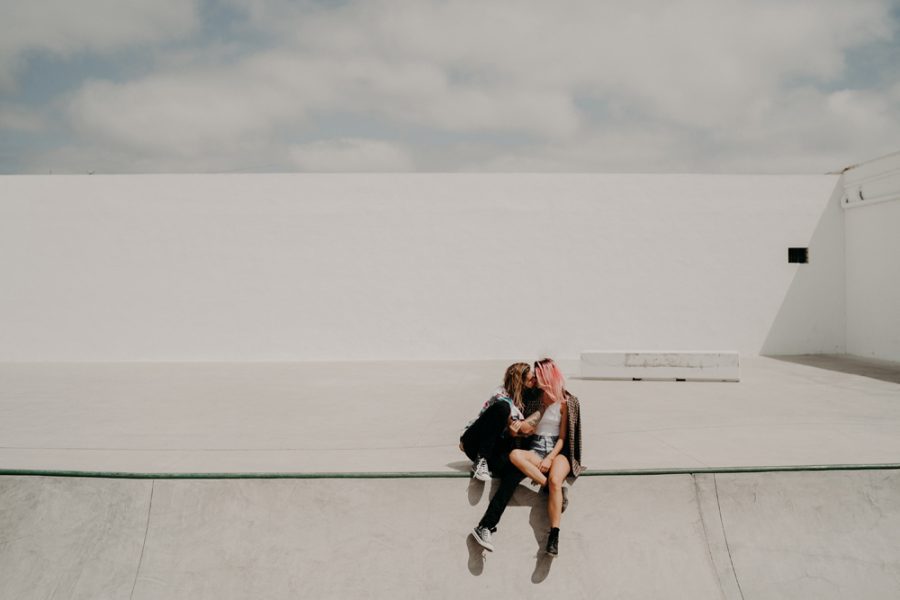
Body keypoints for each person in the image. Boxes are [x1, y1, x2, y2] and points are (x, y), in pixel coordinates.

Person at [472, 358, 584, 556]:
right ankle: (548, 490)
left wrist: (550, 458)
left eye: (538, 376)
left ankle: (553, 536)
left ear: (548, 375)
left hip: (556, 451)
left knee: (552, 480)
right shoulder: (532, 398)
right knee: (515, 457)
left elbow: (564, 438)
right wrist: (522, 426)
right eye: (533, 376)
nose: (535, 380)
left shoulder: (568, 401)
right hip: (533, 449)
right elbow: (523, 427)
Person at [459, 363, 535, 481]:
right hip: (475, 443)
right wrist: (517, 431)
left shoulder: (525, 398)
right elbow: (524, 429)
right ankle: (481, 459)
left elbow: (524, 429)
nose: (534, 381)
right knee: (503, 408)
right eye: (531, 379)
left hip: (496, 449)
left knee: (514, 472)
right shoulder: (500, 395)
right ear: (520, 381)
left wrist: (515, 432)